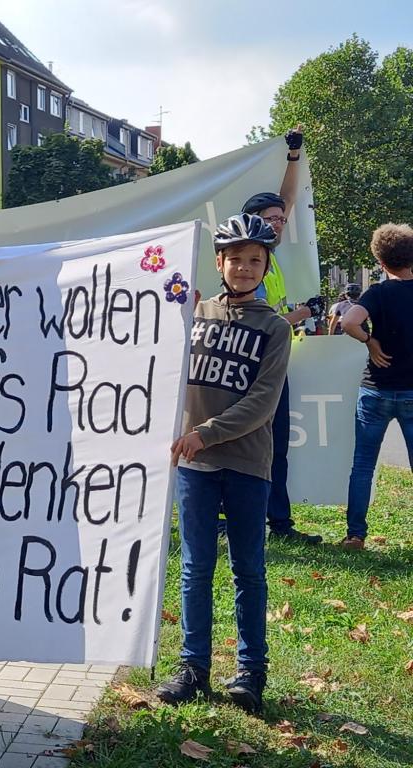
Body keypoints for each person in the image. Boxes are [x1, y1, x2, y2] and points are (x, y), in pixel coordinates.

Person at [157, 214, 291, 714]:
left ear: (266, 266)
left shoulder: (275, 328)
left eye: (255, 260)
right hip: (195, 464)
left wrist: (205, 433)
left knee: (247, 569)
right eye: (235, 259)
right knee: (195, 568)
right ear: (219, 262)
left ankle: (251, 671)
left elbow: (262, 402)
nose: (244, 267)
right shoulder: (195, 313)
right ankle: (193, 666)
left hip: (246, 462)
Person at [239, 127, 324, 544]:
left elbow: (287, 198)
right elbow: (261, 321)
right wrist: (304, 313)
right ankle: (253, 521)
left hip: (272, 364)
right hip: (254, 368)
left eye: (281, 220)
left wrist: (294, 156)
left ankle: (277, 523)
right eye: (271, 220)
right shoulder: (248, 261)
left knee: (276, 449)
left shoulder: (267, 256)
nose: (279, 223)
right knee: (256, 448)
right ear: (253, 222)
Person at [339, 223, 413, 550]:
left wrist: (369, 341)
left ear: (380, 262)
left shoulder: (377, 293)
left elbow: (348, 321)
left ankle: (356, 534)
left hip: (375, 389)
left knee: (363, 465)